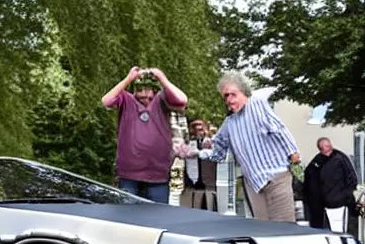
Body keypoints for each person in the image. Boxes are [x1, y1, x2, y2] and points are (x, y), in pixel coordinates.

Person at [178, 70, 301, 222]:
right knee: (264, 231)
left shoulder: (257, 104)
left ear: (244, 92)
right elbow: (218, 154)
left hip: (277, 178)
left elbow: (279, 128)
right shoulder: (229, 124)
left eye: (232, 94)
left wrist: (293, 152)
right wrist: (195, 153)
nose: (229, 99)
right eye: (225, 96)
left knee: (284, 227)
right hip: (254, 184)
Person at [101, 66, 187, 203]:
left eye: (146, 89)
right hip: (128, 175)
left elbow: (182, 100)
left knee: (158, 218)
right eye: (138, 89)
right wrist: (128, 79)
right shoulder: (126, 99)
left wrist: (161, 78)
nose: (142, 94)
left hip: (158, 175)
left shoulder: (162, 99)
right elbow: (106, 101)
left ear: (154, 90)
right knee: (128, 219)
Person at [303, 137, 358, 232]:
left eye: (328, 146)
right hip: (322, 204)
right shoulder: (317, 162)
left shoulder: (339, 159)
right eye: (324, 147)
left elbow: (351, 179)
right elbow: (309, 181)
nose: (327, 149)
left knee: (339, 228)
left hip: (338, 202)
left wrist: (344, 196)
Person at [180, 119, 217, 210]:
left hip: (209, 187)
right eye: (194, 128)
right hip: (190, 188)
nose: (197, 131)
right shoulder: (185, 143)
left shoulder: (213, 142)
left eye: (201, 129)